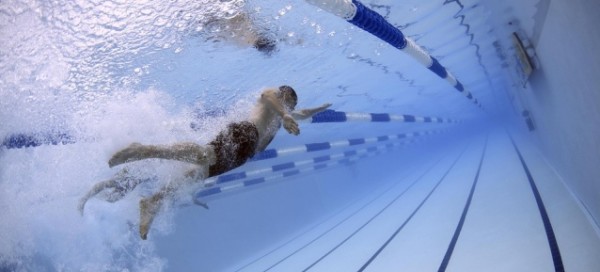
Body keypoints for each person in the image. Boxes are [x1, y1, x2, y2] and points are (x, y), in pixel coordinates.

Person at [79, 85, 331, 240]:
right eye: (288, 101)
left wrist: (320, 108)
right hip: (244, 133)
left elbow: (303, 113)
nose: (289, 106)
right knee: (203, 156)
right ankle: (143, 150)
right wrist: (285, 113)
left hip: (241, 156)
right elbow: (269, 96)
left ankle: (153, 201)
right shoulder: (275, 98)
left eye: (290, 105)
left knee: (195, 175)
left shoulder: (283, 116)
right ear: (284, 95)